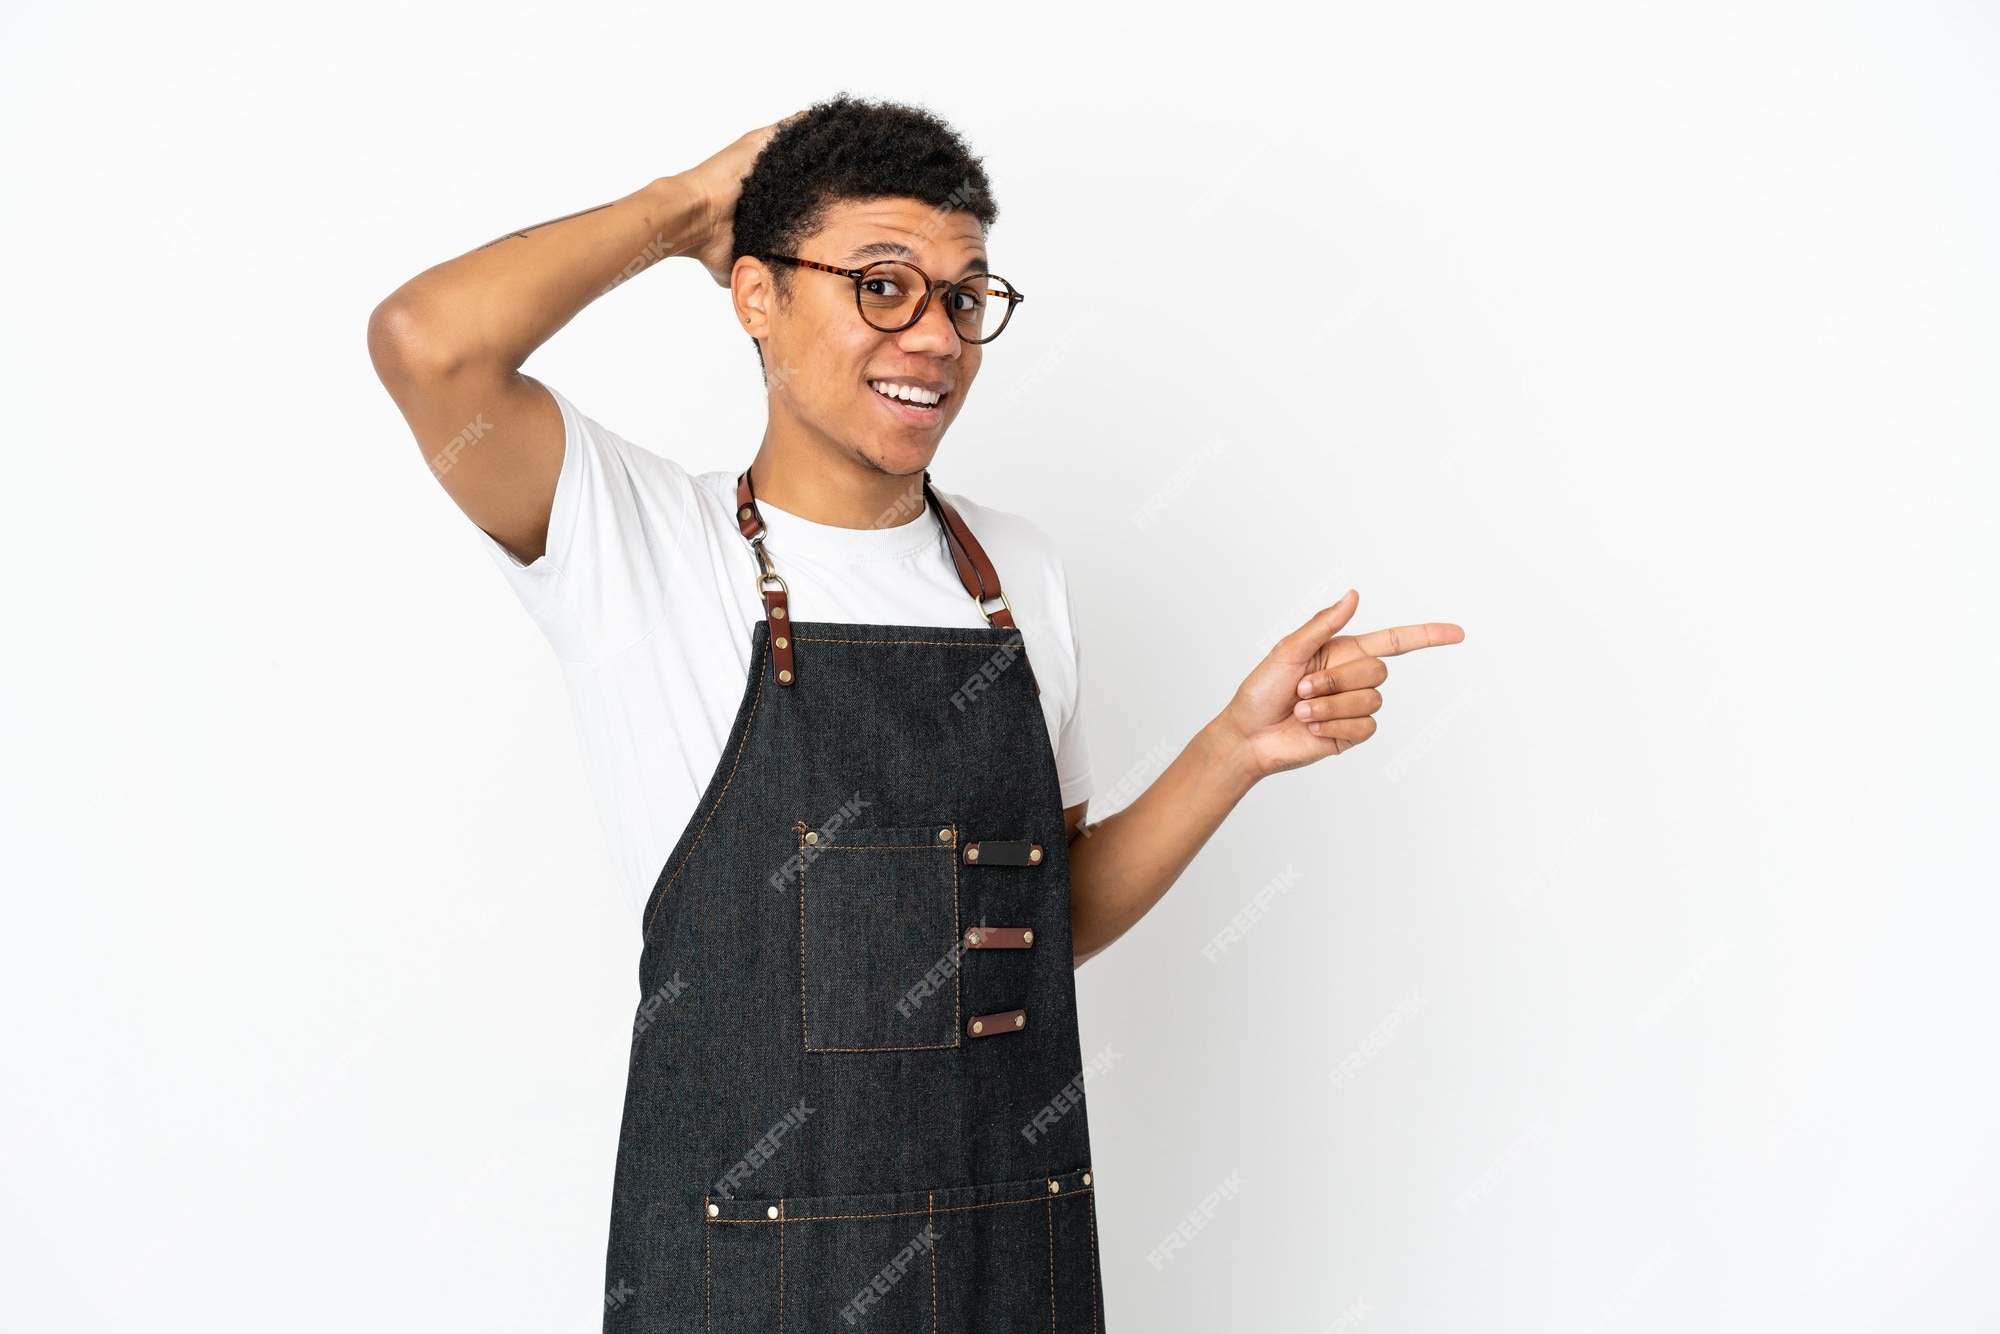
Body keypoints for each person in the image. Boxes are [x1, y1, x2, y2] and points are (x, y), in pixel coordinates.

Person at [367, 92, 1462, 1331]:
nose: (934, 336)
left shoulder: (1016, 573)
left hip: (1012, 1261)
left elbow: (1040, 919)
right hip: (751, 1284)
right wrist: (681, 209)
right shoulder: (640, 543)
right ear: (756, 297)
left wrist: (1230, 750)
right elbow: (426, 343)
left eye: (962, 295)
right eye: (879, 285)